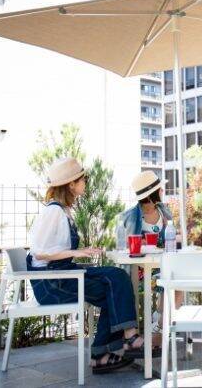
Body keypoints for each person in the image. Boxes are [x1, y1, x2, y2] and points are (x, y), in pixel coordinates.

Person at [27, 158, 147, 374]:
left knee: (117, 277)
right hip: (51, 283)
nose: (86, 182)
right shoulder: (53, 211)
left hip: (62, 274)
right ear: (71, 184)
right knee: (114, 288)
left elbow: (55, 249)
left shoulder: (63, 210)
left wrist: (81, 251)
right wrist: (76, 252)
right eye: (84, 179)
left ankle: (115, 346)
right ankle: (109, 349)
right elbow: (39, 252)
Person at [119, 171, 182, 343]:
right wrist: (143, 242)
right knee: (170, 280)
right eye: (159, 189)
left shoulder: (165, 212)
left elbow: (172, 237)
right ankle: (159, 327)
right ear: (151, 194)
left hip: (162, 265)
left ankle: (160, 323)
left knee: (179, 280)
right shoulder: (131, 216)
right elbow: (126, 247)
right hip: (140, 270)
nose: (162, 191)